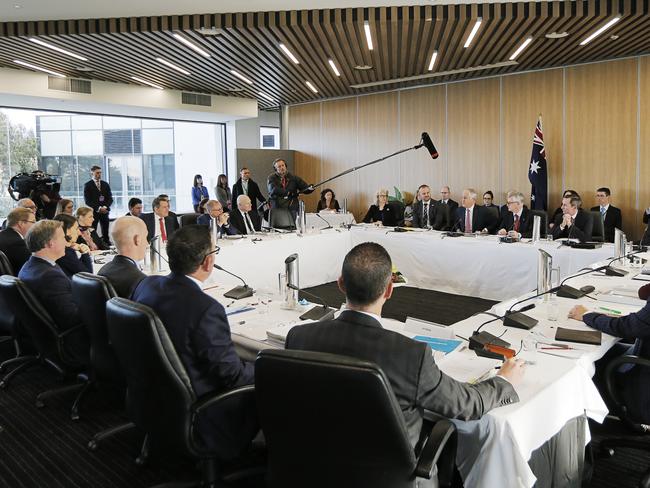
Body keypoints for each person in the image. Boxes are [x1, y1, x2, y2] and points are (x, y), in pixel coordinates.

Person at [286, 242, 523, 448]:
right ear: (390, 289)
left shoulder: (298, 337)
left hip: (308, 468)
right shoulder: (411, 355)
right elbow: (467, 404)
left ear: (340, 284)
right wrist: (503, 381)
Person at [131, 224, 256, 455]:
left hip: (152, 398)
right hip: (201, 410)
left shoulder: (146, 285)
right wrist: (266, 368)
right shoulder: (206, 309)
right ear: (208, 262)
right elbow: (232, 375)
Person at [18, 220, 89, 363]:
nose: (66, 242)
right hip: (71, 341)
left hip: (42, 337)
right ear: (50, 243)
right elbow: (72, 319)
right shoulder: (50, 276)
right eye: (63, 238)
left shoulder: (30, 265)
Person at [568, 300, 650, 424]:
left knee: (579, 367)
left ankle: (580, 435)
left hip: (644, 380)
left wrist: (588, 315)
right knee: (606, 352)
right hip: (643, 354)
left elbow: (629, 327)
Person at [98, 216, 147, 298]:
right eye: (146, 237)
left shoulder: (103, 270)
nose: (147, 243)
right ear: (137, 239)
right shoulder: (140, 281)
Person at [52, 214, 93, 278]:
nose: (79, 233)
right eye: (76, 228)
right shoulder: (66, 252)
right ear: (67, 230)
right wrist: (85, 253)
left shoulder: (58, 249)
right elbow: (89, 276)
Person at [0, 207, 35, 274]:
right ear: (21, 224)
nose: (35, 225)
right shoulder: (18, 243)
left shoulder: (2, 235)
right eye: (33, 222)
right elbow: (32, 268)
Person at [83, 165, 113, 245]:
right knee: (93, 229)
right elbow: (88, 201)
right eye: (97, 173)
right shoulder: (88, 185)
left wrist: (105, 207)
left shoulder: (105, 184)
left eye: (100, 173)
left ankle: (107, 243)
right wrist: (99, 208)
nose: (99, 174)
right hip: (94, 212)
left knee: (105, 229)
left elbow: (110, 198)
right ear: (92, 173)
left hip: (105, 211)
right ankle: (94, 244)